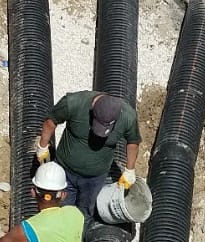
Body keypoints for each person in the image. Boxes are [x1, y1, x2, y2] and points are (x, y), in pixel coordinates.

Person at [35, 91, 142, 220]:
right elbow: (51, 121)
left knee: (84, 212)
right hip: (65, 171)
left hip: (95, 179)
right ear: (92, 111)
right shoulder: (74, 103)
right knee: (61, 210)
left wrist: (129, 170)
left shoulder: (128, 117)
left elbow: (133, 142)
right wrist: (42, 146)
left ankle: (79, 234)